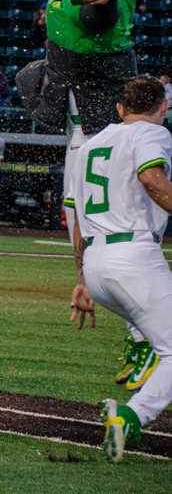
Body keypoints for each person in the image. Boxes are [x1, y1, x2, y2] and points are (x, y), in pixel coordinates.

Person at [15, 0, 160, 386]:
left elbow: (100, 16)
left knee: (106, 238)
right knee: (98, 238)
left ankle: (146, 338)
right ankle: (136, 327)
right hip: (99, 129)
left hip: (101, 138)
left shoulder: (86, 1)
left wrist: (99, 1)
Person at [67, 77, 172, 463]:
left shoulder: (91, 144)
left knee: (166, 346)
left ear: (119, 109)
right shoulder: (153, 133)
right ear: (163, 108)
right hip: (134, 257)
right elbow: (150, 177)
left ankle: (133, 413)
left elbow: (77, 215)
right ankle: (129, 418)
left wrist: (82, 280)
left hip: (97, 263)